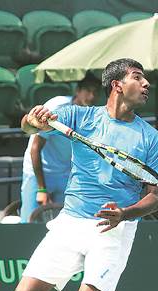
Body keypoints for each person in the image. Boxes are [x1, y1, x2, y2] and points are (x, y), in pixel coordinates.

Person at [11, 58, 158, 291]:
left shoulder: (149, 137)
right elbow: (27, 128)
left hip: (113, 226)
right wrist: (33, 120)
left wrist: (124, 214)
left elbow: (155, 196)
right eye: (138, 78)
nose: (146, 85)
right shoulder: (79, 117)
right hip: (71, 220)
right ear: (116, 84)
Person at [20, 78, 100, 223]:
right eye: (88, 91)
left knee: (63, 225)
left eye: (95, 92)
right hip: (38, 173)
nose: (92, 97)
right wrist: (42, 189)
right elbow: (35, 149)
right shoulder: (57, 106)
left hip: (65, 175)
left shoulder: (93, 115)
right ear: (77, 91)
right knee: (28, 223)